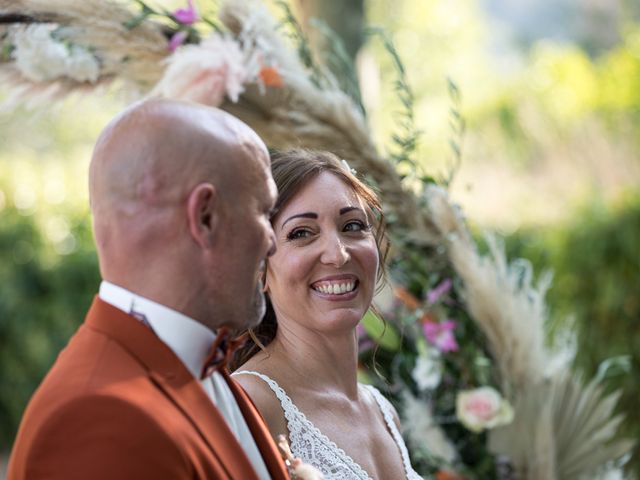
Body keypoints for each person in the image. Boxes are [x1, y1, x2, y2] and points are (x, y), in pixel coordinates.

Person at [7, 99, 290, 480]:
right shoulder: (98, 421)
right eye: (262, 212)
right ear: (205, 217)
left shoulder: (202, 361)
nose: (272, 242)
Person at [232, 149, 423, 480]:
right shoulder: (251, 404)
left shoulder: (383, 413)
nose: (338, 254)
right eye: (302, 233)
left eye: (352, 225)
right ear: (259, 268)